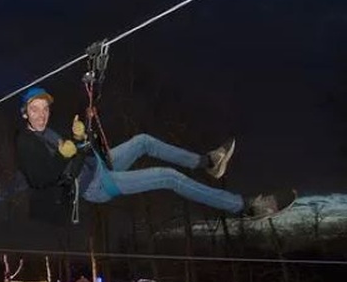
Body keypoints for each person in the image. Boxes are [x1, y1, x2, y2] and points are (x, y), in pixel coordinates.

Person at [15, 86, 293, 223]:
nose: (42, 114)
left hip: (98, 165)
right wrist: (68, 153)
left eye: (45, 109)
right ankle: (246, 207)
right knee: (168, 176)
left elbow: (77, 154)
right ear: (25, 113)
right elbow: (42, 179)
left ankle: (207, 162)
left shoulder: (49, 133)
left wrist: (80, 137)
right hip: (96, 185)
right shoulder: (25, 143)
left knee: (143, 140)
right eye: (35, 109)